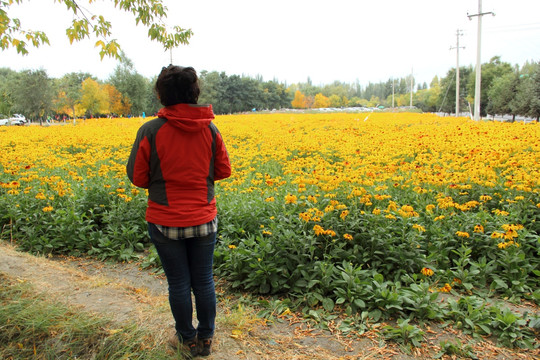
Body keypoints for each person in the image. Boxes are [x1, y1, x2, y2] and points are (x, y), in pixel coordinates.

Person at [126, 65, 231, 358]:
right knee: (204, 280)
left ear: (162, 94)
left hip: (164, 221)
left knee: (180, 284)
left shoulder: (150, 130)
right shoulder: (210, 129)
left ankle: (187, 340)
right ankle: (206, 339)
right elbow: (223, 170)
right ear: (193, 92)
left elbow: (137, 177)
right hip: (203, 218)